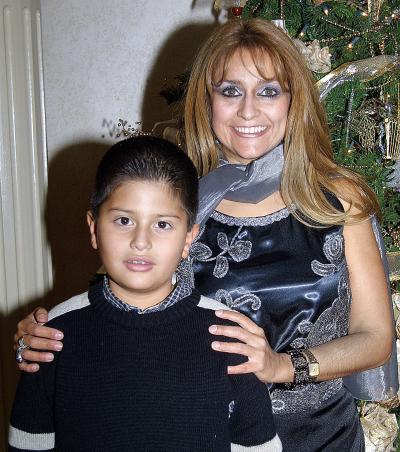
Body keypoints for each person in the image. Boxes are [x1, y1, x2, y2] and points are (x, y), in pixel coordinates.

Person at [14, 19, 398, 451]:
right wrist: (46, 336)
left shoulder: (341, 199)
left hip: (323, 439)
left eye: (268, 91)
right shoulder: (173, 200)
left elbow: (375, 337)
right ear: (207, 99)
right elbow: (113, 317)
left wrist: (283, 366)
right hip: (198, 432)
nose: (248, 110)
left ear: (294, 101)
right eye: (230, 90)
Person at [9, 136, 281, 452]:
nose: (141, 240)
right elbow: (28, 443)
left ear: (188, 238)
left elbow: (258, 446)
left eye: (162, 225)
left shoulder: (229, 336)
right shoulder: (52, 337)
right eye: (124, 220)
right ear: (94, 229)